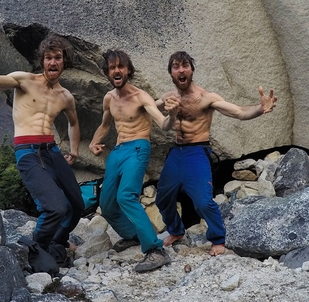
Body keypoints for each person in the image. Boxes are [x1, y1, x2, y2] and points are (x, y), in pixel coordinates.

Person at [0, 31, 85, 260]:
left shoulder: (65, 96)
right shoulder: (23, 80)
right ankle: (36, 252)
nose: (52, 62)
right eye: (48, 57)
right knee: (55, 208)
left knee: (77, 205)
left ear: (65, 61)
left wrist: (73, 150)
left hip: (51, 151)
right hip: (28, 152)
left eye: (58, 57)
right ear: (42, 60)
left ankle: (59, 240)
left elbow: (73, 123)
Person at [155, 51, 277, 256]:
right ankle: (176, 230)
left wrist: (259, 108)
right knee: (162, 198)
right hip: (176, 152)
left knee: (203, 201)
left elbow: (238, 112)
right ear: (171, 73)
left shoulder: (206, 98)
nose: (181, 69)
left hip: (197, 152)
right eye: (176, 66)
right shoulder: (169, 97)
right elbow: (147, 107)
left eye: (185, 65)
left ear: (192, 70)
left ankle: (218, 239)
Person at [89, 49, 179, 273]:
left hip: (138, 147)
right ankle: (133, 235)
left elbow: (163, 124)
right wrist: (94, 142)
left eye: (121, 66)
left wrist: (173, 115)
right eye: (112, 68)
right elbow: (105, 125)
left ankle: (155, 250)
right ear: (108, 73)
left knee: (126, 196)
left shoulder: (141, 96)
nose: (117, 70)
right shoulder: (109, 98)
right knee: (107, 204)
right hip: (118, 151)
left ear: (128, 70)